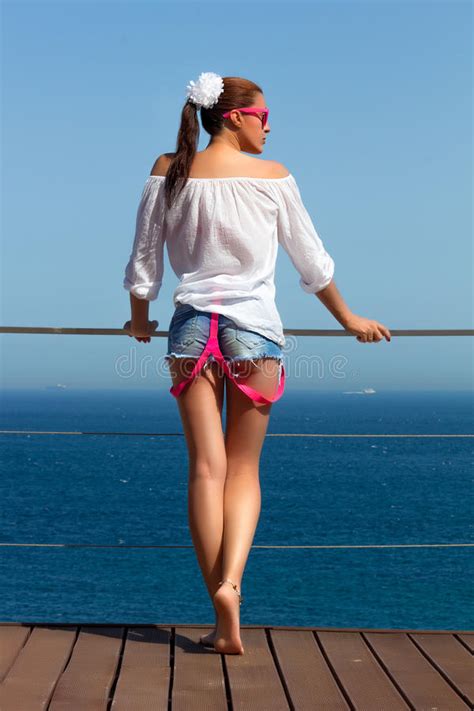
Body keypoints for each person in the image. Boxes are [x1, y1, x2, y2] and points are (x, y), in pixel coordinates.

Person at [122, 72, 391, 655]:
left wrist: (140, 318)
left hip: (192, 331)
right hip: (255, 336)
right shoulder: (273, 178)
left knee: (205, 471)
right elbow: (312, 264)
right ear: (235, 118)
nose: (271, 127)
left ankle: (221, 620)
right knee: (244, 471)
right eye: (264, 117)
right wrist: (349, 319)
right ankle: (232, 583)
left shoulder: (169, 167)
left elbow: (144, 259)